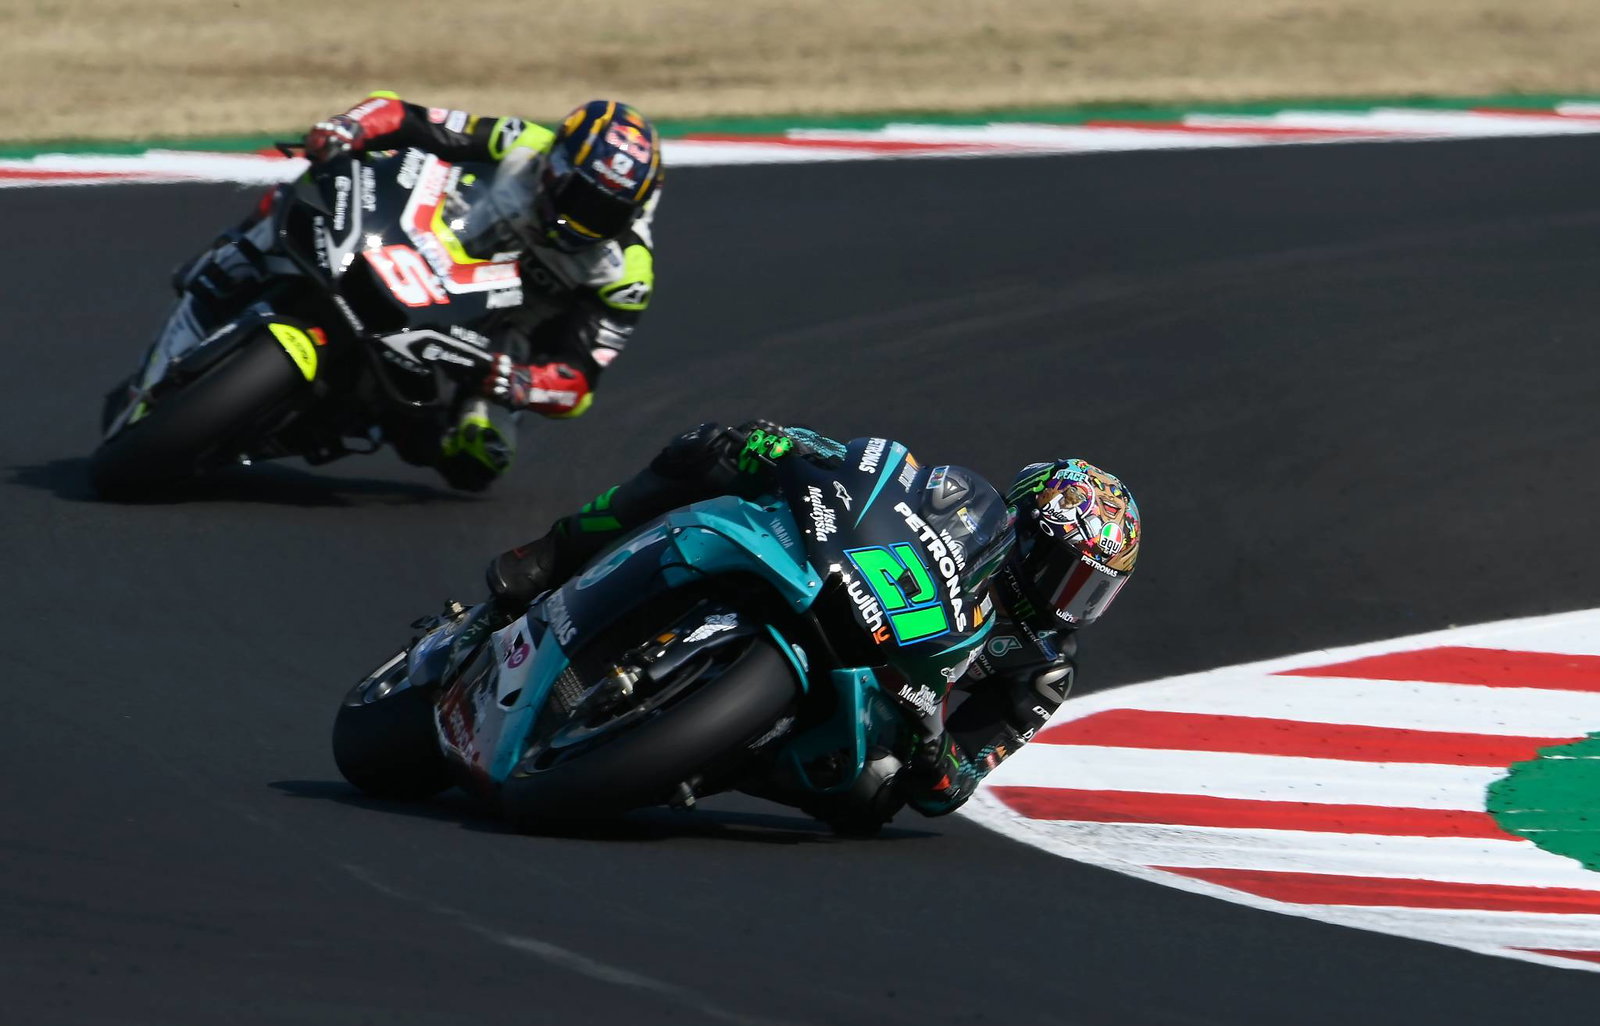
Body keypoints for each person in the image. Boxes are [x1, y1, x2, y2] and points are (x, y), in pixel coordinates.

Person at [483, 420, 1142, 817]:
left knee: (871, 796)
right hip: (842, 587)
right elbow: (883, 479)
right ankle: (556, 551)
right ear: (1025, 533)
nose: (1070, 601)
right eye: (1066, 572)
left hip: (889, 699)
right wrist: (798, 446)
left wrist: (936, 746)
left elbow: (956, 783)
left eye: (1092, 591)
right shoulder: (961, 506)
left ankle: (686, 756)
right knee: (714, 447)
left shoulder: (1047, 664)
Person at [177, 93, 663, 490]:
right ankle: (235, 254)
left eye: (605, 214)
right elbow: (407, 117)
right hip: (421, 244)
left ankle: (370, 418)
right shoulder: (522, 143)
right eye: (580, 198)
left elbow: (577, 381)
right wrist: (349, 128)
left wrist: (516, 381)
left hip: (491, 337)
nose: (582, 221)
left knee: (479, 460)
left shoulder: (626, 271)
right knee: (316, 181)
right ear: (557, 164)